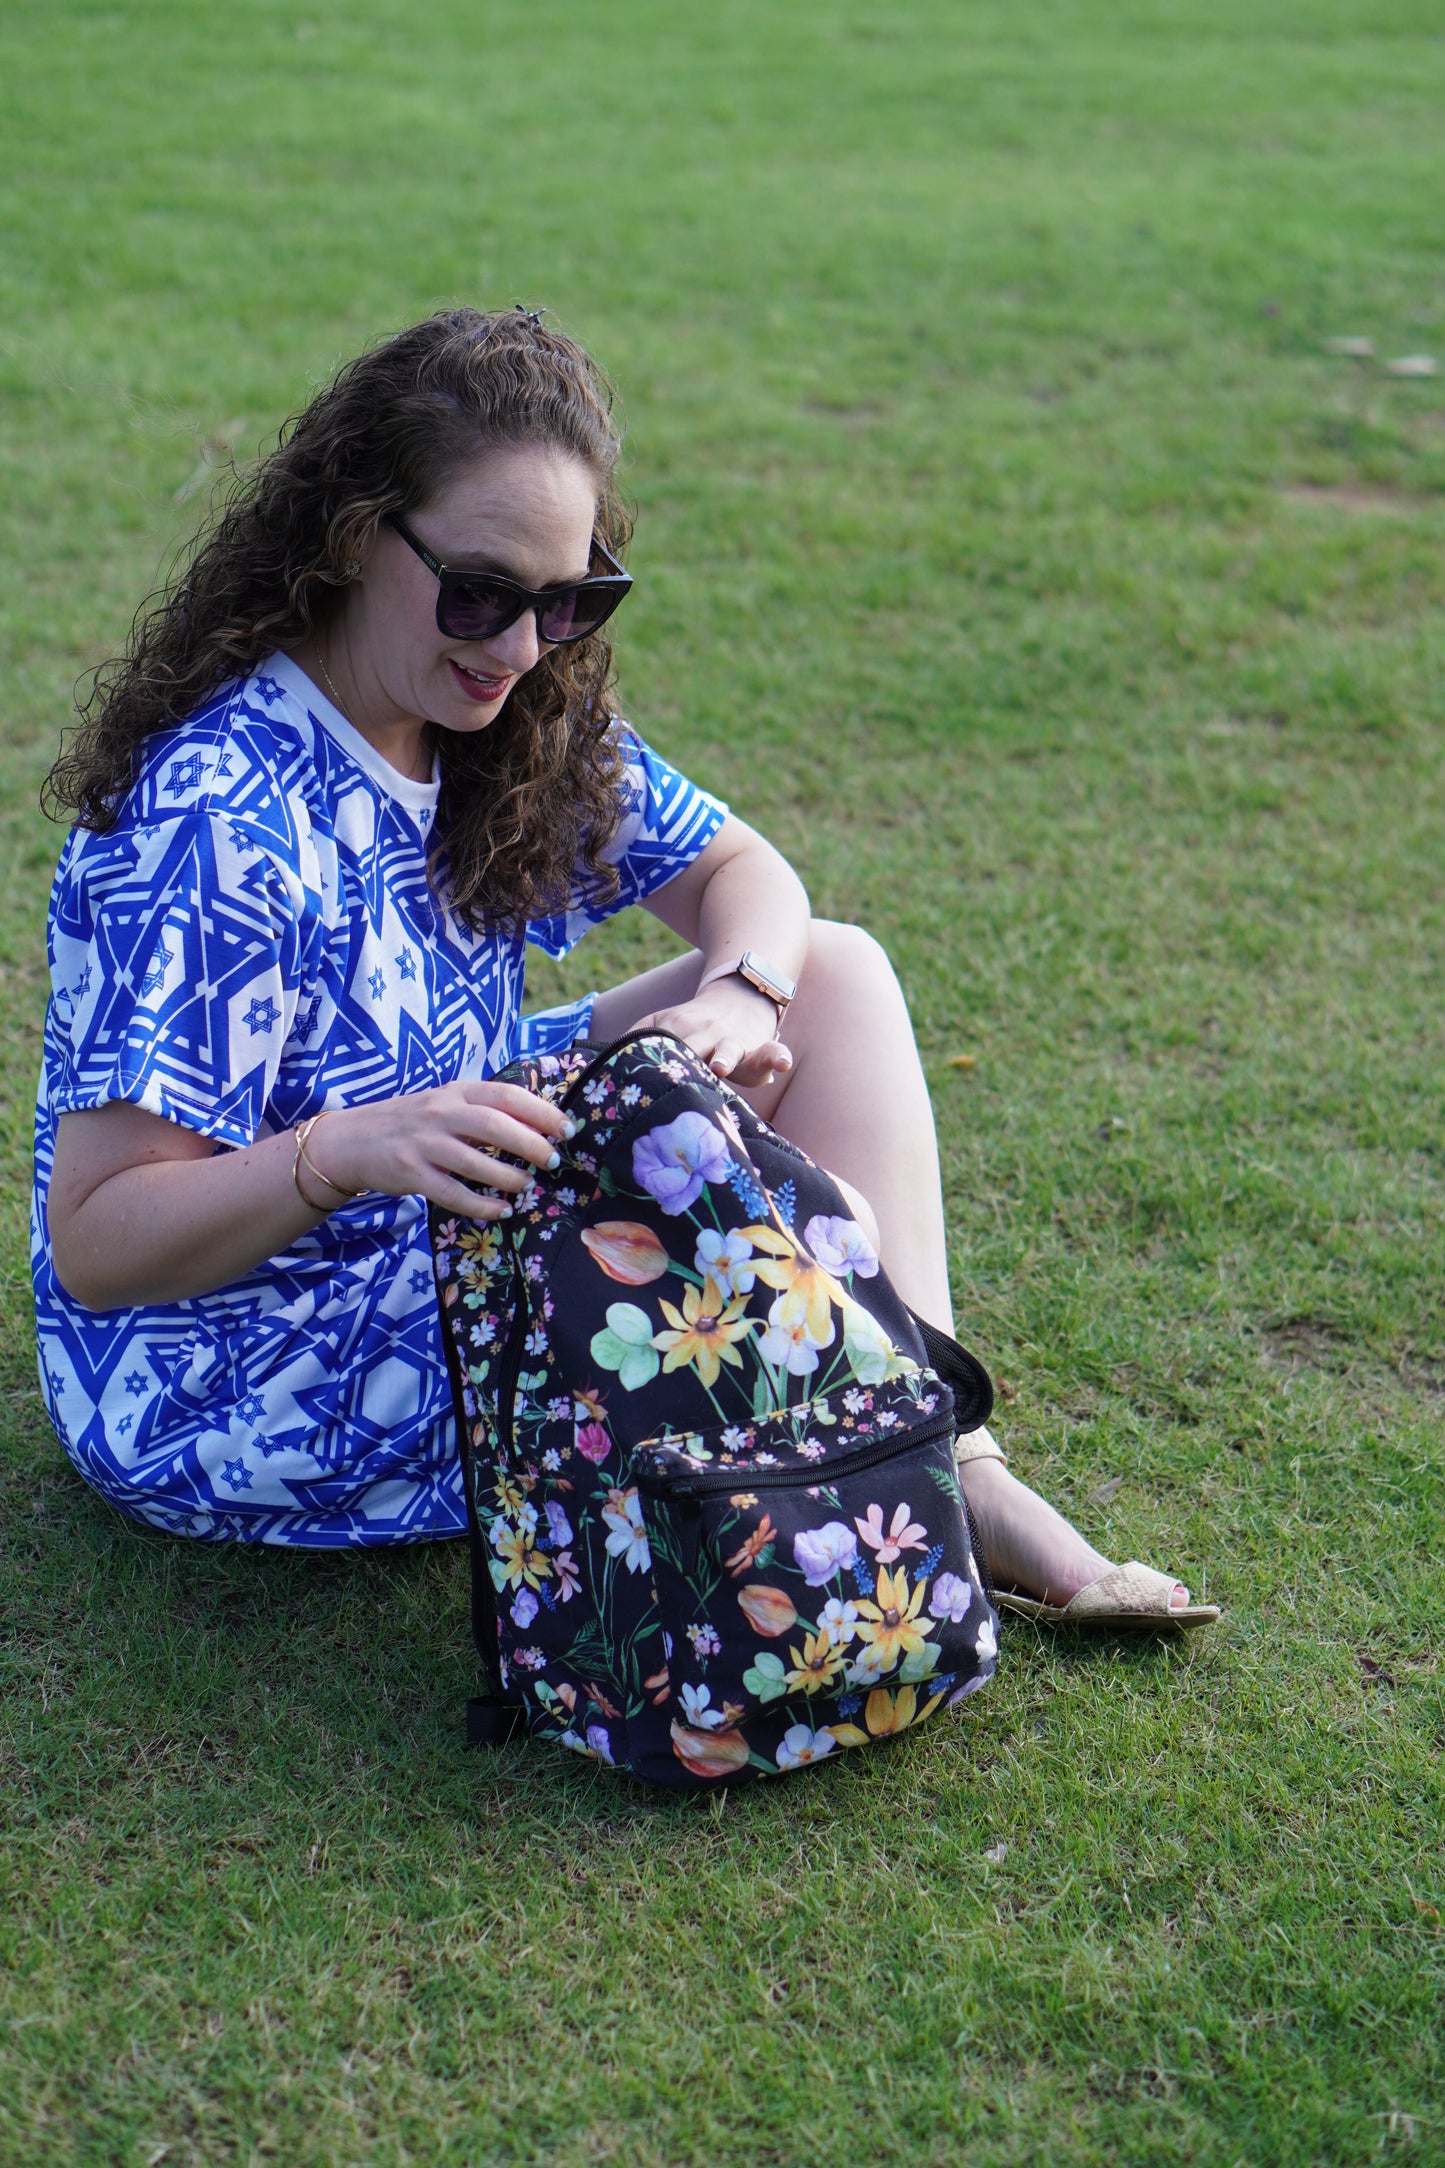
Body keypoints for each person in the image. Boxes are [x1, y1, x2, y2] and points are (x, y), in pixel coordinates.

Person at [32, 306, 1215, 1628]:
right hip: (240, 1376)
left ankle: (956, 1460)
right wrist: (345, 1149)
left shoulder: (485, 701)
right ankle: (908, 1458)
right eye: (482, 592)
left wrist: (739, 996)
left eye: (569, 600)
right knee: (745, 1257)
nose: (523, 646)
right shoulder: (218, 829)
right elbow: (98, 1241)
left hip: (447, 1178)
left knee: (827, 971)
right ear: (357, 534)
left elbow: (744, 877)